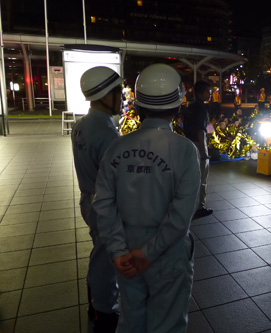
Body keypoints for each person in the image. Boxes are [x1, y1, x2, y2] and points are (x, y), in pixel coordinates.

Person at [93, 63, 200, 332]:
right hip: (169, 254)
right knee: (167, 324)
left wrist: (119, 252)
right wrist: (149, 253)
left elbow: (103, 205)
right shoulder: (185, 150)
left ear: (138, 107)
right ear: (178, 106)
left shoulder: (117, 147)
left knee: (130, 320)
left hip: (126, 251)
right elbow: (180, 216)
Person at [71, 66, 122, 332]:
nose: (122, 98)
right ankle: (104, 312)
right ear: (104, 95)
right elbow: (117, 180)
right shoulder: (107, 134)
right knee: (107, 261)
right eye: (118, 92)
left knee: (98, 253)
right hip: (104, 206)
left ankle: (95, 303)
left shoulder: (81, 125)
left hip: (88, 199)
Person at [183, 80, 214, 219]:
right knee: (202, 178)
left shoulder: (190, 106)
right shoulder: (201, 108)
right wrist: (204, 152)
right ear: (201, 93)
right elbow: (201, 131)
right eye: (208, 91)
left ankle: (190, 205)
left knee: (192, 177)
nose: (211, 94)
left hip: (189, 143)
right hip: (198, 144)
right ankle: (199, 207)